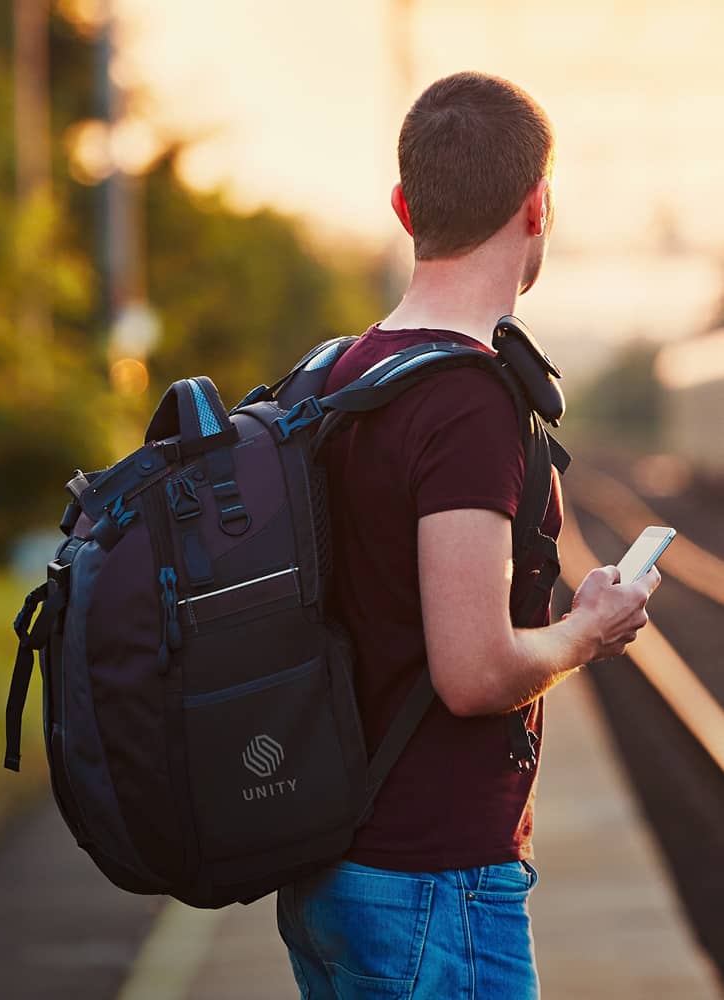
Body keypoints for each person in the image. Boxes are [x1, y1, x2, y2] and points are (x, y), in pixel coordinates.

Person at [276, 70, 659, 1000]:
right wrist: (588, 630)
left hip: (332, 869)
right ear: (540, 206)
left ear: (405, 207)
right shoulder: (466, 398)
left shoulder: (336, 375)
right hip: (431, 886)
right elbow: (473, 671)